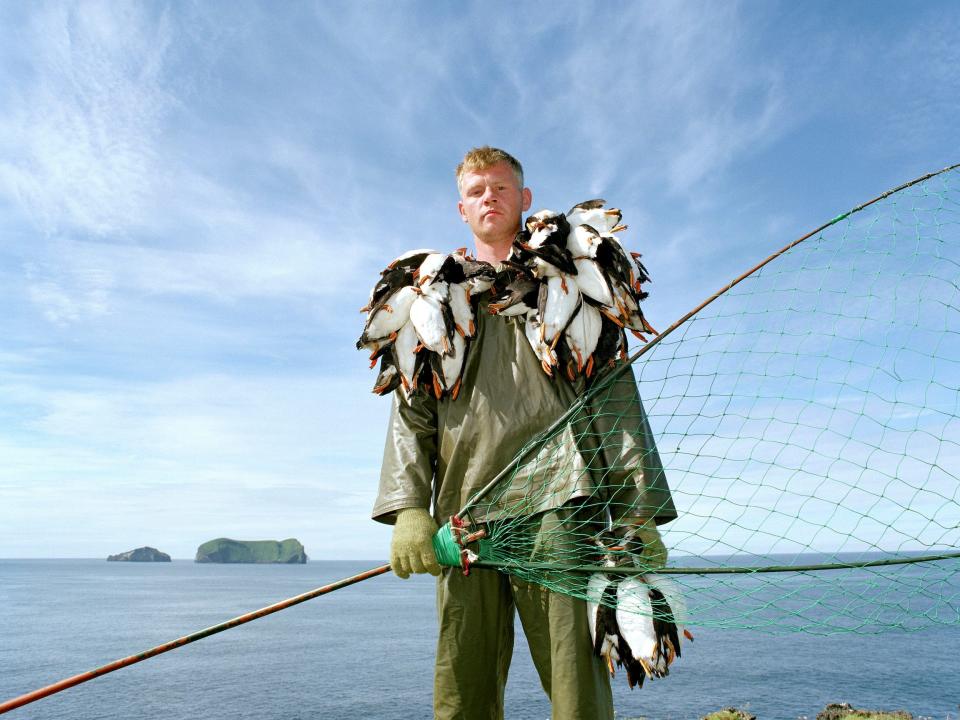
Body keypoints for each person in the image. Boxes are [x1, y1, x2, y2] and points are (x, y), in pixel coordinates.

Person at [372, 146, 676, 720]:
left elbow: (617, 404)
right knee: (462, 687)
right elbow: (411, 412)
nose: (490, 196)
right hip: (466, 518)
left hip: (563, 508)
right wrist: (410, 508)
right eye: (477, 190)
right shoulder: (429, 299)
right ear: (461, 208)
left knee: (576, 685)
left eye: (501, 187)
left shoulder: (579, 285)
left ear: (525, 199)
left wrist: (639, 511)